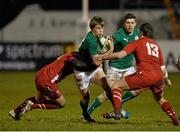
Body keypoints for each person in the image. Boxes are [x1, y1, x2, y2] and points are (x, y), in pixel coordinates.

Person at [99, 23, 180, 126]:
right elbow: (163, 68)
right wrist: (166, 79)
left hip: (145, 74)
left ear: (141, 32)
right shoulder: (156, 45)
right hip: (159, 76)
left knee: (116, 86)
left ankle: (117, 111)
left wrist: (104, 57)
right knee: (160, 99)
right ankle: (175, 120)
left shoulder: (137, 42)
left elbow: (120, 55)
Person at [87, 13, 143, 117]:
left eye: (132, 23)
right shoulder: (118, 34)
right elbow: (107, 45)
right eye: (127, 23)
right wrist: (100, 58)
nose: (130, 25)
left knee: (140, 88)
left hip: (129, 68)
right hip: (115, 68)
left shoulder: (138, 33)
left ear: (135, 23)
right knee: (107, 94)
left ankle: (119, 104)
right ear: (123, 23)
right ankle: (87, 113)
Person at [9, 52, 78, 120]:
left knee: (38, 99)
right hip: (48, 81)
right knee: (61, 103)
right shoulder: (73, 59)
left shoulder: (70, 54)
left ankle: (15, 112)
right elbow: (77, 65)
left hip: (41, 74)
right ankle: (32, 106)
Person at [73, 16, 114, 122]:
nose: (101, 30)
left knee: (108, 88)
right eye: (98, 28)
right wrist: (111, 49)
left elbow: (97, 61)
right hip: (82, 71)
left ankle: (117, 110)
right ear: (92, 29)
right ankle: (85, 114)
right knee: (86, 97)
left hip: (93, 69)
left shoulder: (98, 37)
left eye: (102, 28)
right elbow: (96, 61)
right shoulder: (91, 40)